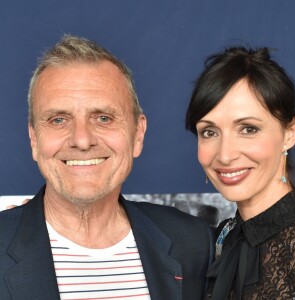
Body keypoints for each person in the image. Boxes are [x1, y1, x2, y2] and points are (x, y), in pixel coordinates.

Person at [0, 35, 213, 300]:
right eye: (58, 120)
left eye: (103, 118)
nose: (82, 140)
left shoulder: (191, 243)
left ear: (138, 134)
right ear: (34, 139)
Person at [186, 46, 295, 299]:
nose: (225, 155)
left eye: (248, 129)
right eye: (209, 132)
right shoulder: (220, 241)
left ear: (289, 133)